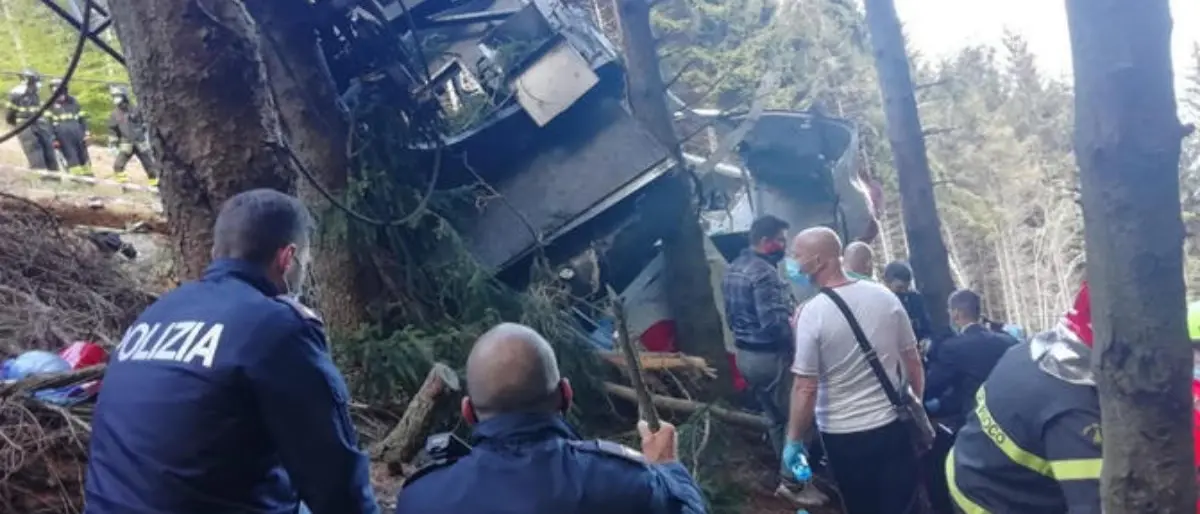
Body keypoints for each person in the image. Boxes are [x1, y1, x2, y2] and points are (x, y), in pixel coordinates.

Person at [84, 189, 378, 514]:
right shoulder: (276, 327)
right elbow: (335, 479)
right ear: (287, 258)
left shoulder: (156, 314)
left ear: (216, 252)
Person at [394, 322, 706, 514]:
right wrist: (668, 467)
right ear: (566, 395)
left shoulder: (421, 500)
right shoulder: (625, 481)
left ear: (468, 412)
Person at [783, 227, 927, 514]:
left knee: (862, 505)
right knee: (902, 504)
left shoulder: (811, 313)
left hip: (843, 434)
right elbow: (912, 360)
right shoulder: (885, 297)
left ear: (819, 261)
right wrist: (915, 404)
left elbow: (805, 387)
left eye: (797, 256)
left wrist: (794, 440)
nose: (792, 263)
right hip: (892, 423)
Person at [947, 283, 1101, 514]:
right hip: (993, 502)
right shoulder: (1075, 416)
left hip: (967, 465)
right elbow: (1095, 506)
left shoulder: (1028, 350)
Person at [721, 215, 825, 505]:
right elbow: (774, 324)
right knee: (800, 421)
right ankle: (795, 483)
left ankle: (787, 473)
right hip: (771, 358)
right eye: (780, 240)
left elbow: (730, 317)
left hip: (745, 356)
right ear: (765, 242)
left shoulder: (733, 268)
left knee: (776, 420)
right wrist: (799, 338)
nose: (784, 247)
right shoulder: (764, 274)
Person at [924, 289, 1018, 429]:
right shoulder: (1008, 341)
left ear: (956, 313)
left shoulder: (952, 348)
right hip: (1011, 415)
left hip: (976, 421)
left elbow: (934, 385)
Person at [5, 68, 58, 171]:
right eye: (37, 81)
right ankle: (41, 174)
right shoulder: (17, 93)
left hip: (38, 124)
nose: (38, 84)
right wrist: (17, 124)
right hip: (25, 126)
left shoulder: (35, 94)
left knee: (48, 147)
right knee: (34, 150)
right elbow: (10, 114)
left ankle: (53, 175)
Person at [107, 85, 159, 186]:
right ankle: (124, 187)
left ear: (124, 96)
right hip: (126, 144)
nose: (115, 98)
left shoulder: (136, 109)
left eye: (118, 96)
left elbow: (147, 122)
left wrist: (146, 133)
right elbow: (112, 129)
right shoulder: (115, 114)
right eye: (114, 96)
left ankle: (155, 187)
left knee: (150, 167)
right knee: (118, 166)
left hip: (140, 143)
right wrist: (112, 144)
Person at [47, 78, 91, 176]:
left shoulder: (73, 101)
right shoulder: (49, 105)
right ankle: (77, 179)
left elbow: (82, 118)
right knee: (72, 158)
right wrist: (53, 139)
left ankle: (89, 178)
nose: (59, 95)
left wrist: (87, 133)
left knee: (84, 158)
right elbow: (48, 124)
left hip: (78, 134)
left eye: (61, 92)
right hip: (63, 137)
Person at [883, 261, 934, 343]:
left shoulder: (915, 299)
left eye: (907, 288)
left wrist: (926, 340)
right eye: (899, 288)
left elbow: (927, 327)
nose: (904, 292)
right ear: (887, 283)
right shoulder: (881, 303)